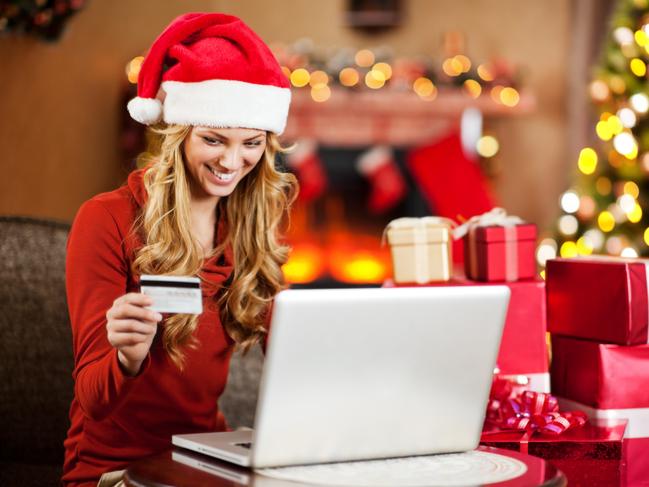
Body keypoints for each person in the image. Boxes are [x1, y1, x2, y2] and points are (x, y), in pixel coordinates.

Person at [62, 12, 297, 486]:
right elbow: (92, 397)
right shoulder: (106, 218)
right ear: (177, 136)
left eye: (250, 143)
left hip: (209, 463)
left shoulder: (249, 225)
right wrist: (126, 357)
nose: (233, 162)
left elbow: (295, 359)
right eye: (213, 140)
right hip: (114, 468)